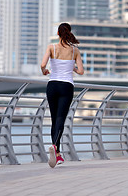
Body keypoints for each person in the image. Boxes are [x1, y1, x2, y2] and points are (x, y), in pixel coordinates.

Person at [40, 22, 84, 168]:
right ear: (69, 33)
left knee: (54, 119)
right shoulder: (74, 51)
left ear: (58, 34)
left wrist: (45, 71)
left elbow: (42, 65)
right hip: (66, 86)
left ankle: (56, 152)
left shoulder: (51, 47)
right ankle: (55, 147)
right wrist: (73, 67)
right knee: (60, 119)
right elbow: (81, 71)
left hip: (52, 85)